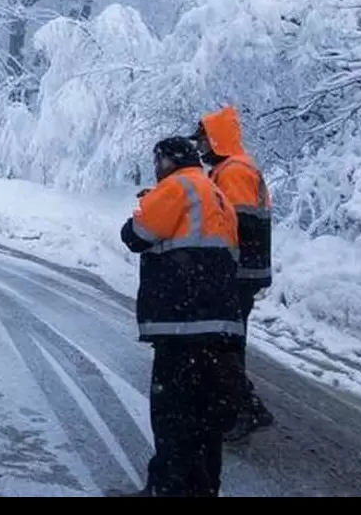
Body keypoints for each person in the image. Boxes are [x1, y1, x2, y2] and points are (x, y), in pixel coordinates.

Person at [116, 136, 245, 497]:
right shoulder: (218, 195)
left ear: (168, 161)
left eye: (158, 162)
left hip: (181, 322)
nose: (156, 169)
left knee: (172, 413)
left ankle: (166, 488)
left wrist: (144, 205)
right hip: (220, 324)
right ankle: (202, 489)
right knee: (207, 417)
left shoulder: (177, 187)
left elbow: (136, 235)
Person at [193, 106, 275, 442]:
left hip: (239, 272)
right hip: (241, 271)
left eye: (202, 142)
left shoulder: (234, 171)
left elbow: (237, 225)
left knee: (224, 344)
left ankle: (244, 409)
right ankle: (234, 406)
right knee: (224, 341)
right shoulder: (229, 168)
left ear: (217, 140)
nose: (199, 149)